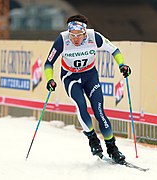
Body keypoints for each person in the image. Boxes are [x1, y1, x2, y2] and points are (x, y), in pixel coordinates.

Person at [44, 14, 131, 164]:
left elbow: (114, 51)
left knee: (99, 111)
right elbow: (48, 63)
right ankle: (93, 140)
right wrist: (50, 79)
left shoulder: (94, 37)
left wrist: (122, 64)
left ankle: (112, 148)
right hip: (70, 78)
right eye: (72, 35)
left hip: (90, 77)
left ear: (85, 32)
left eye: (79, 35)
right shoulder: (62, 40)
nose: (75, 39)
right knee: (81, 105)